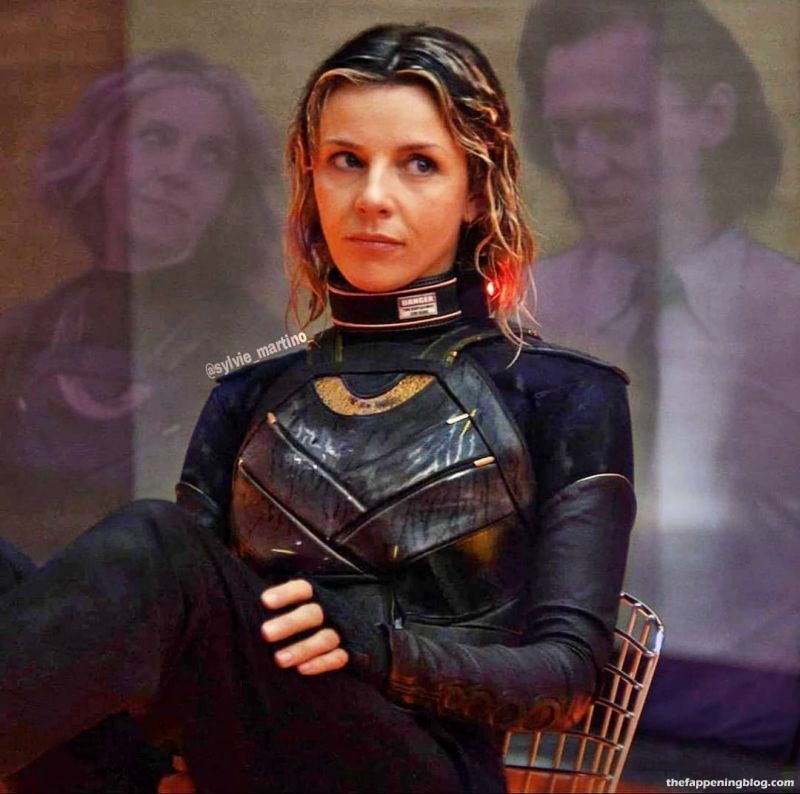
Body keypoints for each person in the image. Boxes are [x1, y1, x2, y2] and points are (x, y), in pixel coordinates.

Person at [0, 25, 635, 793]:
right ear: (312, 179)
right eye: (346, 161)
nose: (372, 198)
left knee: (156, 543)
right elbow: (180, 633)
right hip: (231, 755)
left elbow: (567, 681)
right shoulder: (246, 390)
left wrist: (378, 648)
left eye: (419, 164)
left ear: (475, 191)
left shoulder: (565, 394)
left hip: (422, 770)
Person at [517, 0, 800, 761]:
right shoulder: (525, 321)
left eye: (619, 128)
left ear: (713, 116)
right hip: (555, 753)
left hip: (759, 751)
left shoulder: (791, 316)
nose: (585, 166)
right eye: (566, 135)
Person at [0, 50, 286, 563]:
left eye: (211, 155)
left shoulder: (262, 347)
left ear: (230, 191)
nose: (178, 171)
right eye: (156, 138)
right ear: (101, 152)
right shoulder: (19, 336)